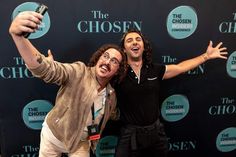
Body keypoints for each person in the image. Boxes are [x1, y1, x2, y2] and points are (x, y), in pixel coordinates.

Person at [9, 11, 127, 157]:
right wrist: (19, 37)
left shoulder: (111, 95)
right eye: (105, 56)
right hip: (53, 138)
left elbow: (114, 115)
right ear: (98, 58)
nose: (107, 62)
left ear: (117, 71)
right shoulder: (79, 72)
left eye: (114, 61)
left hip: (80, 143)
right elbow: (46, 69)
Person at [114, 28, 228, 157]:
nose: (134, 42)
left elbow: (180, 67)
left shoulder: (155, 70)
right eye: (129, 40)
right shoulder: (118, 72)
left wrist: (206, 56)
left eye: (138, 39)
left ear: (144, 46)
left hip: (155, 133)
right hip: (130, 134)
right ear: (124, 49)